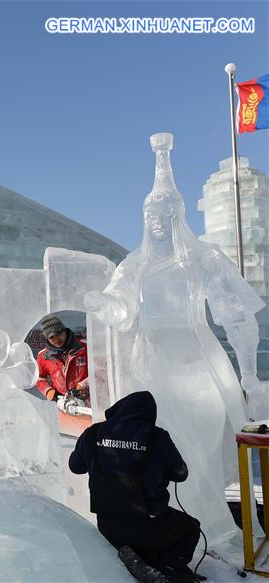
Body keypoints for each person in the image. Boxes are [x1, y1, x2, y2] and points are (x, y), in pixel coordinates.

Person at [85, 133, 264, 543]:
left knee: (198, 446)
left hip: (197, 359)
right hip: (150, 364)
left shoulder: (204, 258)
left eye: (164, 215)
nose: (156, 223)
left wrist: (249, 374)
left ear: (178, 217)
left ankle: (208, 525)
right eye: (150, 216)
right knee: (148, 444)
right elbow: (121, 309)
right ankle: (158, 523)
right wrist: (100, 302)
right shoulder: (134, 265)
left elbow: (236, 317)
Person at [69, 391, 201, 583]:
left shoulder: (93, 432)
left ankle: (139, 560)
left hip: (107, 526)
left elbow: (75, 466)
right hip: (149, 523)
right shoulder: (157, 437)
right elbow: (181, 474)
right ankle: (169, 569)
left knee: (147, 532)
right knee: (190, 528)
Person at [35, 314, 89, 402]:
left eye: (58, 334)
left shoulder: (85, 348)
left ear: (64, 331)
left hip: (88, 404)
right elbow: (38, 378)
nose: (56, 339)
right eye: (51, 337)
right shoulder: (43, 356)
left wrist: (83, 386)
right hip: (63, 405)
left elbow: (100, 371)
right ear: (47, 338)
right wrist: (49, 392)